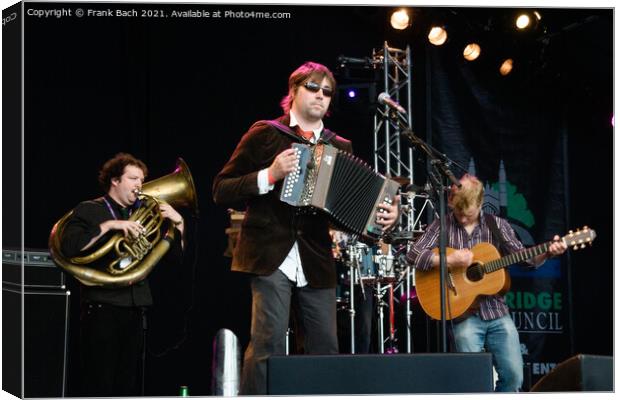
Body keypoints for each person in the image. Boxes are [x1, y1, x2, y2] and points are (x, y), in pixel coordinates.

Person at [212, 61, 399, 395]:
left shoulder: (339, 145)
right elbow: (221, 188)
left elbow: (347, 211)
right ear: (293, 91)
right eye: (313, 87)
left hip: (315, 257)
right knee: (268, 344)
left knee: (325, 347)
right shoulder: (266, 133)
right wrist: (269, 175)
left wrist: (381, 218)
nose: (321, 96)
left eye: (327, 92)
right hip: (270, 252)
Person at [406, 174, 567, 392]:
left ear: (480, 204)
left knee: (514, 378)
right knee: (472, 382)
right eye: (458, 212)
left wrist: (547, 253)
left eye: (468, 213)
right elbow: (413, 255)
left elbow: (525, 259)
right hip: (463, 317)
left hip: (497, 313)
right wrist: (450, 259)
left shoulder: (497, 225)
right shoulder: (441, 225)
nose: (462, 219)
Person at [61, 152, 185, 397]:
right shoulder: (90, 209)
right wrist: (110, 226)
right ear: (115, 181)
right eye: (133, 178)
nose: (140, 185)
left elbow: (175, 259)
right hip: (102, 309)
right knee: (100, 383)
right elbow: (70, 246)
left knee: (127, 384)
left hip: (136, 308)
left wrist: (179, 224)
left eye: (142, 179)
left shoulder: (145, 212)